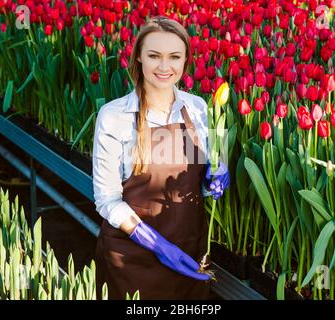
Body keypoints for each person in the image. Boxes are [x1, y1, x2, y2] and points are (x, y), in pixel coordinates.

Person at [92, 16, 230, 300]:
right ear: (139, 58)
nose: (164, 67)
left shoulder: (199, 108)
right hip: (131, 260)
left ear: (185, 61)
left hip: (189, 255)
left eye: (174, 57)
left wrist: (215, 176)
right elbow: (106, 200)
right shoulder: (114, 115)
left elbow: (197, 180)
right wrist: (153, 242)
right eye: (154, 56)